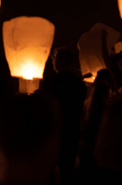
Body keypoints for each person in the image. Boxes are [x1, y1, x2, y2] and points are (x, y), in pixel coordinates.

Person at [41, 47, 87, 185]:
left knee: (49, 171)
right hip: (71, 131)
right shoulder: (78, 84)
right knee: (67, 171)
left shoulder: (49, 82)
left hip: (52, 131)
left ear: (58, 62)